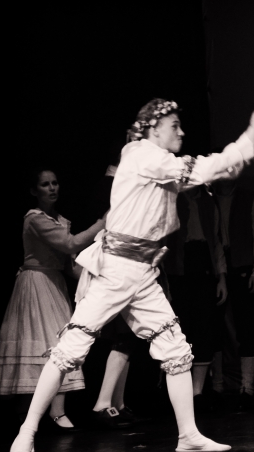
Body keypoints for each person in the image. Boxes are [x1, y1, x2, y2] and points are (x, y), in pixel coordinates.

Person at [9, 99, 254, 452]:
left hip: (143, 272)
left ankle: (188, 436)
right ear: (153, 129)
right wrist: (249, 135)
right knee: (71, 348)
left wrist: (239, 152)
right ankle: (26, 434)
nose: (181, 132)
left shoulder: (157, 164)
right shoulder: (142, 155)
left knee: (175, 349)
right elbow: (199, 169)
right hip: (117, 269)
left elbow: (205, 172)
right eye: (174, 125)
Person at [0, 169, 105, 431]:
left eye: (54, 183)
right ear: (34, 191)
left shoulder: (61, 220)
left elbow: (69, 263)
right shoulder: (34, 218)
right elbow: (69, 244)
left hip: (55, 283)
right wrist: (102, 223)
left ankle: (55, 411)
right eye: (45, 184)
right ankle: (26, 411)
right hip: (35, 283)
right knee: (39, 342)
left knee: (62, 342)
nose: (52, 188)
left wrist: (98, 277)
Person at [89, 142, 144, 428]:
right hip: (116, 266)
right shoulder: (111, 186)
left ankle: (116, 403)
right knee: (123, 335)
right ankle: (103, 404)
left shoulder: (115, 184)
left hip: (123, 263)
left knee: (128, 336)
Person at [164, 187, 228, 413]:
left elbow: (216, 241)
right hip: (179, 270)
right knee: (181, 330)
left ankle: (197, 392)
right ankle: (178, 392)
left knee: (204, 329)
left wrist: (221, 277)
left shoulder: (209, 202)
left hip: (203, 266)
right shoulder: (172, 199)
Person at [211, 175, 254, 410]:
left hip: (243, 266)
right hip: (215, 269)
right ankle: (216, 386)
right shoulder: (209, 199)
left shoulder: (248, 198)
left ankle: (247, 386)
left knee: (246, 328)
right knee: (214, 329)